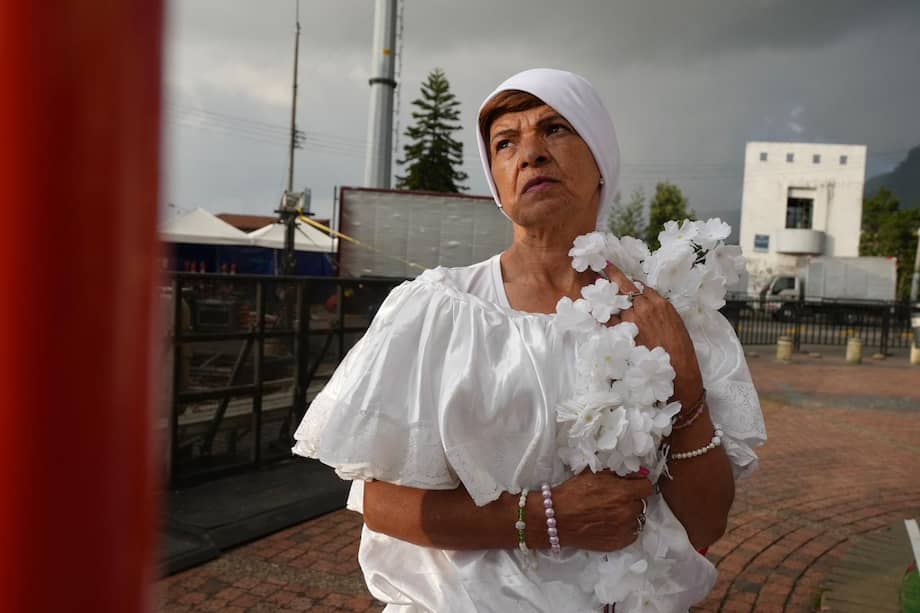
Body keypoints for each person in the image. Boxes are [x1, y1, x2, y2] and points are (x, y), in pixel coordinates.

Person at [293, 68, 766, 612]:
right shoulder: (437, 311)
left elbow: (707, 521)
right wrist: (542, 518)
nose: (531, 153)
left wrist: (685, 388)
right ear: (496, 178)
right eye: (505, 143)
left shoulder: (671, 313)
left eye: (556, 129)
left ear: (602, 160)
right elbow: (382, 506)